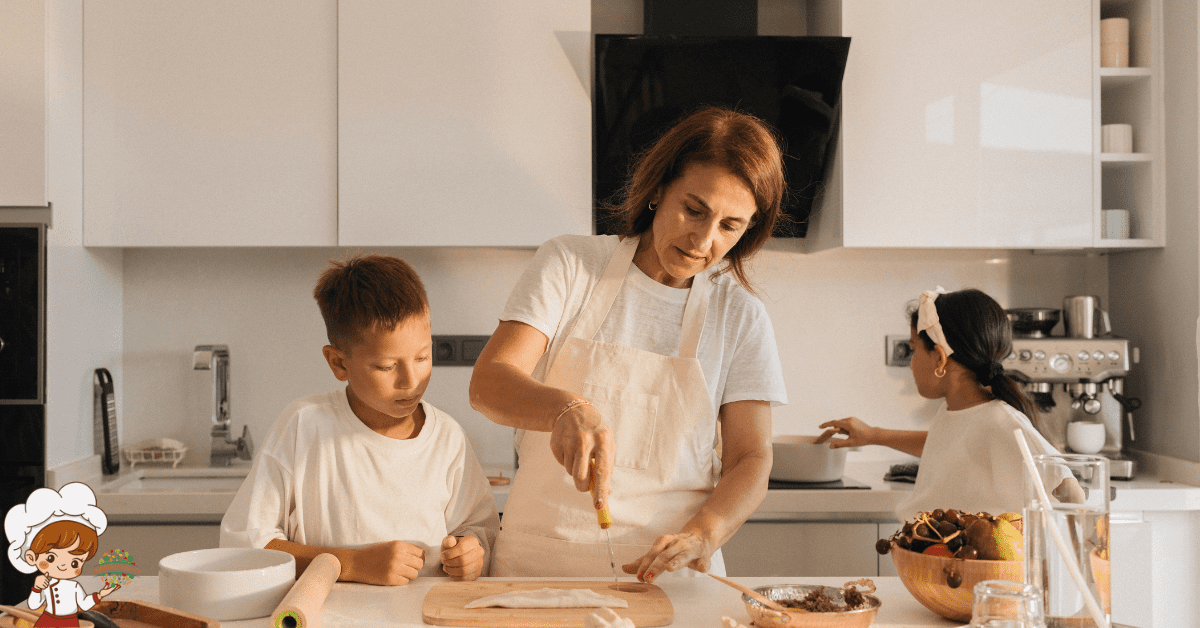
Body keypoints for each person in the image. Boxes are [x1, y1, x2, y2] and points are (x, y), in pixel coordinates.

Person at [469, 106, 788, 582]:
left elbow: (751, 457)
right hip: (539, 567)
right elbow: (489, 384)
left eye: (730, 225)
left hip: (670, 578)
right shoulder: (571, 264)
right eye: (694, 210)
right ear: (659, 189)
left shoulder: (739, 314)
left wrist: (705, 533)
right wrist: (564, 408)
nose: (703, 239)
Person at [221, 255, 499, 585]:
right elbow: (245, 543)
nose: (410, 381)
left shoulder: (447, 438)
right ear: (339, 363)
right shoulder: (304, 426)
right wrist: (351, 563)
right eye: (386, 366)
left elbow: (479, 531)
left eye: (423, 357)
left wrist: (471, 553)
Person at [819, 288, 1060, 519]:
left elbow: (1068, 490)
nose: (911, 363)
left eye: (914, 349)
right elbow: (946, 446)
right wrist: (873, 435)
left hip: (975, 561)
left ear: (940, 358)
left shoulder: (1003, 421)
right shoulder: (960, 413)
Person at [23, 521, 118, 627]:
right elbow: (34, 605)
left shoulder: (75, 586)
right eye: (51, 558)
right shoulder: (45, 584)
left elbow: (84, 604)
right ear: (32, 558)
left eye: (74, 563)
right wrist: (37, 588)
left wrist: (100, 595)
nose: (63, 565)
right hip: (47, 620)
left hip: (70, 622)